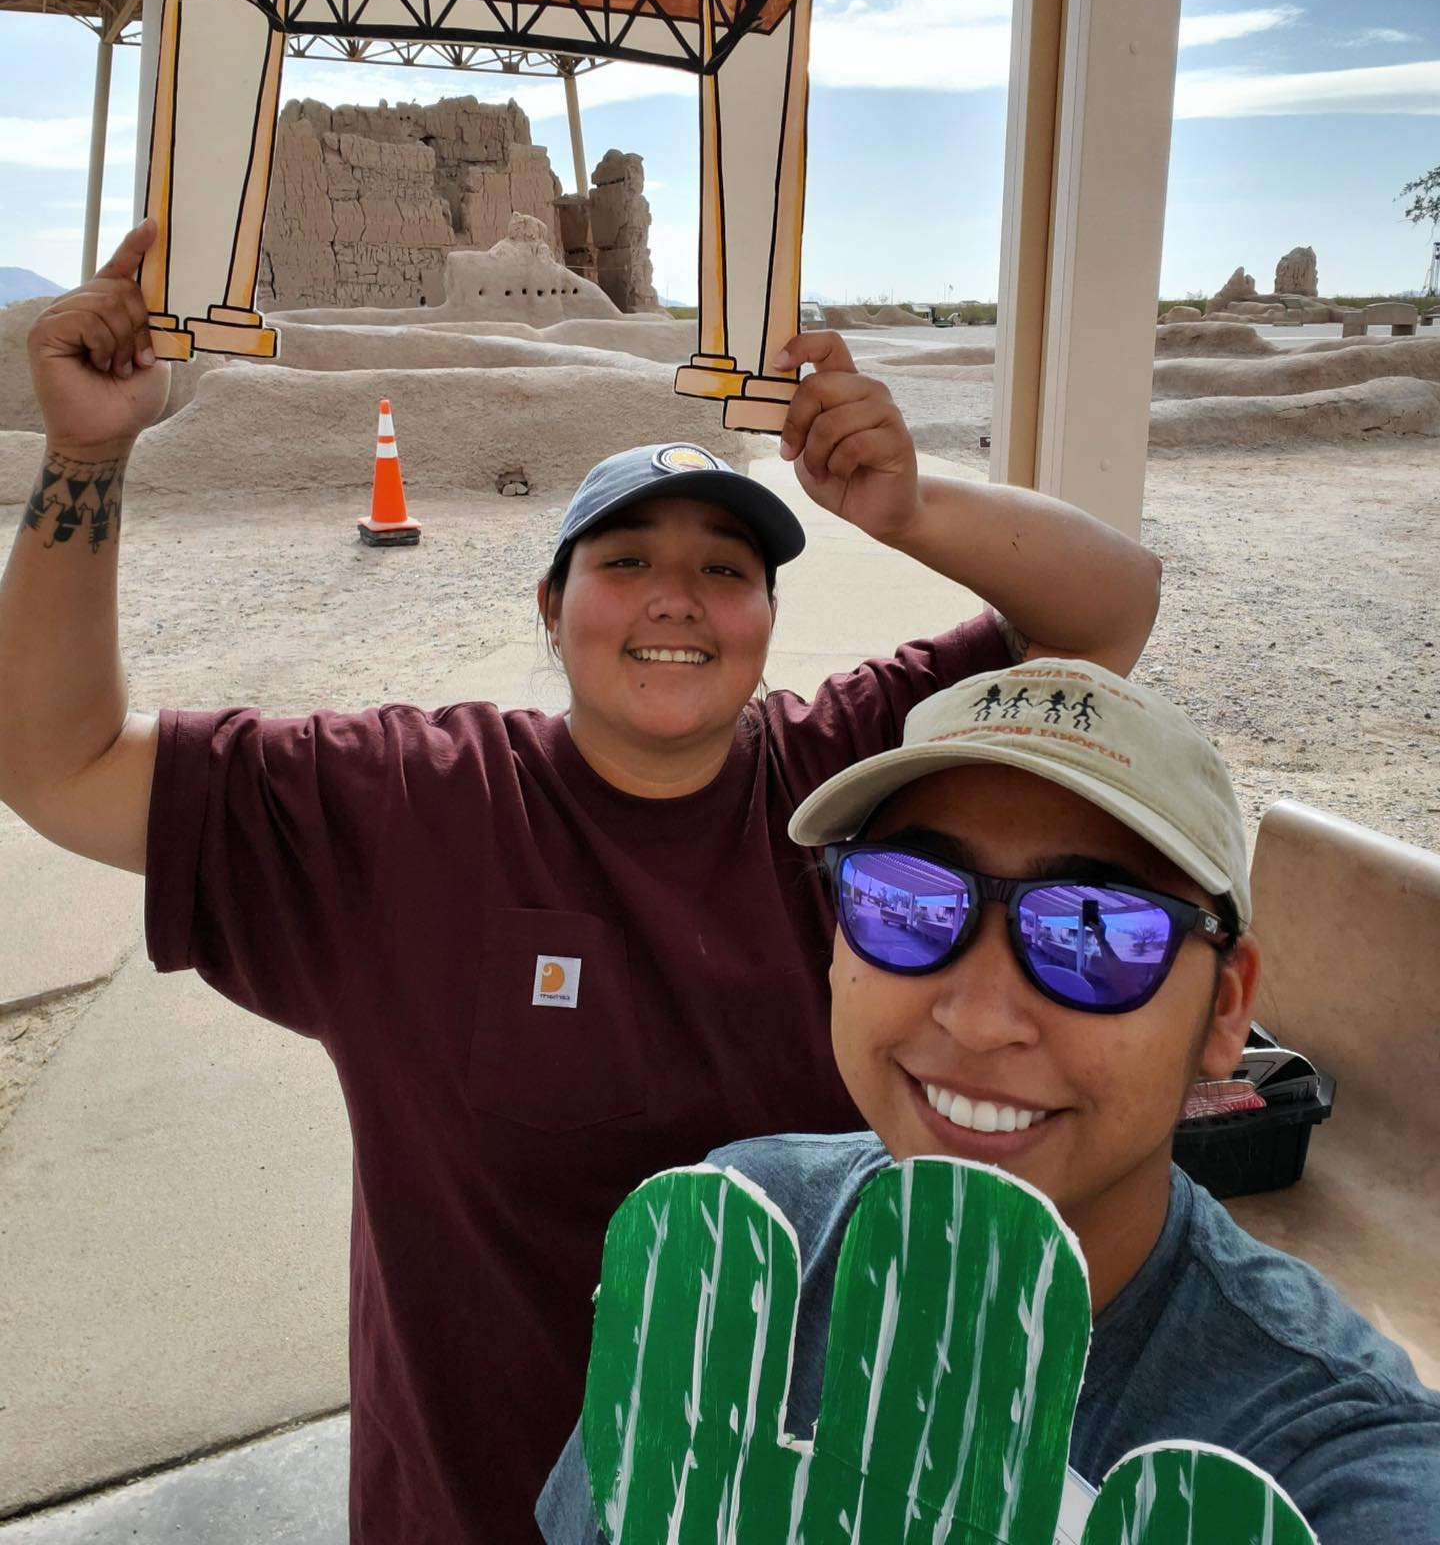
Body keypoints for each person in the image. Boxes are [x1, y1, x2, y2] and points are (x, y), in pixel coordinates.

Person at [0, 222, 1161, 1544]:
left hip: (802, 1513)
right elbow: (60, 763)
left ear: (768, 622)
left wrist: (905, 506)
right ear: (550, 610)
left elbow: (1104, 614)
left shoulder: (851, 774)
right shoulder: (409, 808)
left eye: (726, 571)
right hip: (478, 1514)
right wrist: (88, 457)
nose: (678, 598)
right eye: (625, 562)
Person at [538, 657, 1440, 1544]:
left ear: (1227, 1008)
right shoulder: (724, 1247)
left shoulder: (1321, 1450)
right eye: (905, 903)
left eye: (1093, 932)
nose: (977, 1018)